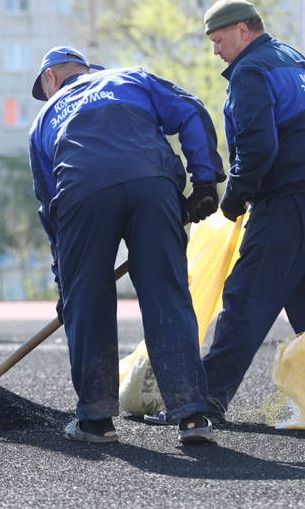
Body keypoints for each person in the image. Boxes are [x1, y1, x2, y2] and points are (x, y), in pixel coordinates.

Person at [28, 45, 225, 445]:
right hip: (151, 185)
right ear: (89, 70)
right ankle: (191, 414)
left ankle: (96, 420)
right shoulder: (130, 78)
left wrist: (67, 285)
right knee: (167, 293)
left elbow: (50, 208)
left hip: (82, 192)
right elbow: (191, 110)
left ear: (50, 80)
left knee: (89, 301)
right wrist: (204, 180)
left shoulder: (45, 117)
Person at [200, 0, 305, 418]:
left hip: (291, 200)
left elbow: (258, 146)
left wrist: (233, 199)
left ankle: (206, 399)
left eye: (219, 40)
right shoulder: (292, 57)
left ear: (243, 30)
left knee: (247, 297)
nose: (217, 50)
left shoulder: (251, 70)